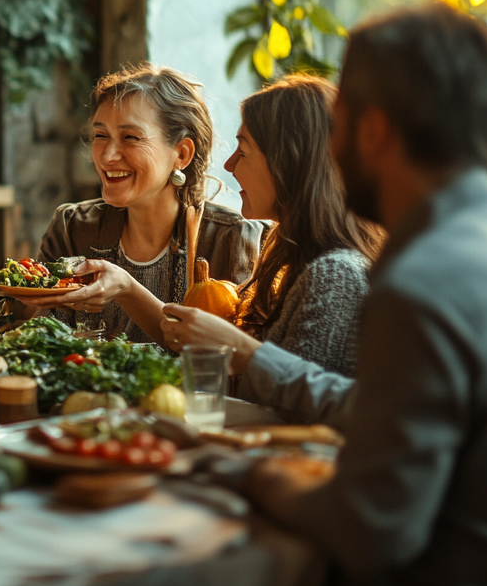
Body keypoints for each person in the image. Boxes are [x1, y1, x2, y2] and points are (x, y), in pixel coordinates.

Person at [231, 4, 487, 586]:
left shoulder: (424, 281)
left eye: (339, 125)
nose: (329, 151)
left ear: (375, 132)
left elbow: (372, 532)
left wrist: (258, 478)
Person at [18, 64, 267, 344]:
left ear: (182, 154)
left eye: (130, 137)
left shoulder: (230, 239)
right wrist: (21, 301)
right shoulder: (71, 227)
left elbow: (232, 356)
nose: (108, 155)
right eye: (101, 136)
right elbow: (32, 334)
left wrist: (128, 290)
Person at [159, 76, 383, 379]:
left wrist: (232, 347)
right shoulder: (293, 256)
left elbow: (296, 408)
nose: (229, 165)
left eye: (244, 150)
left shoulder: (334, 275)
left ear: (288, 164)